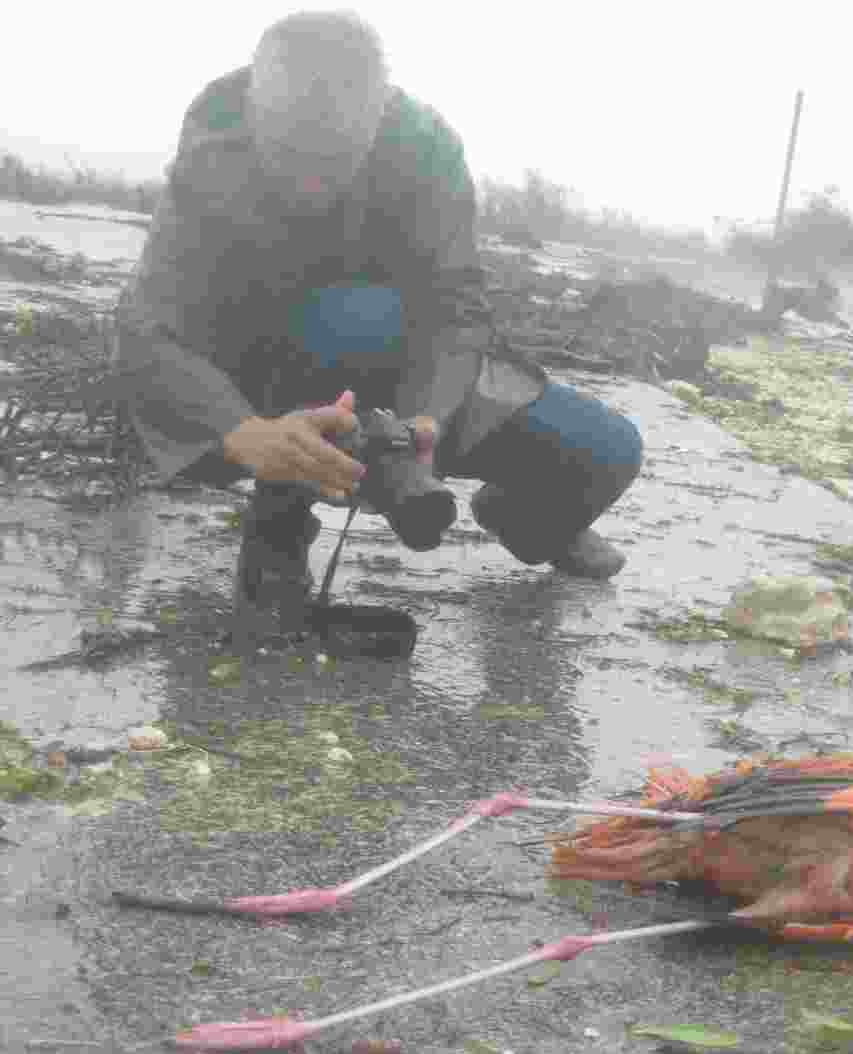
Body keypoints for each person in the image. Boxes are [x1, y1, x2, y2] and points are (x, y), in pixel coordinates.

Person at [113, 9, 643, 643]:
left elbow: (454, 310)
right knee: (342, 317)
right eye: (288, 152)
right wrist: (242, 430)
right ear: (254, 111)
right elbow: (147, 325)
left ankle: (531, 524)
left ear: (379, 115)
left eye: (335, 159)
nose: (311, 182)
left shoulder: (426, 147)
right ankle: (278, 527)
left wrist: (425, 423)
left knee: (606, 451)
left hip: (404, 366)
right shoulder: (210, 151)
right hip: (264, 379)